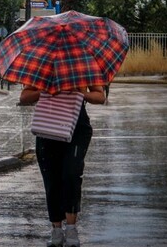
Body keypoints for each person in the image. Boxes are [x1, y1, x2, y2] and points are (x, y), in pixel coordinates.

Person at [20, 85, 106, 247]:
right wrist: (45, 91)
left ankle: (71, 228)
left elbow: (100, 97)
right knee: (51, 180)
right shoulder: (43, 65)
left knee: (71, 174)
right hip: (48, 128)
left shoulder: (82, 64)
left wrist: (82, 94)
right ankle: (56, 230)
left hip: (77, 129)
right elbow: (24, 97)